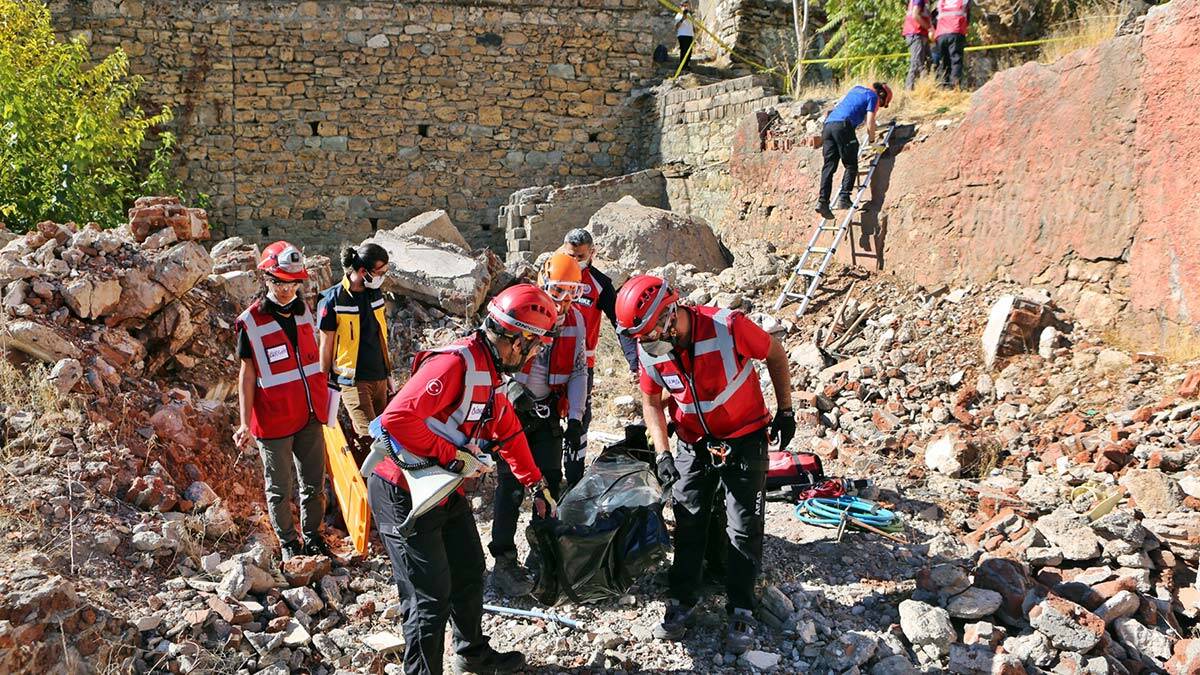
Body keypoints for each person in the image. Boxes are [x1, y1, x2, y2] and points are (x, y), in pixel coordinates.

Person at [367, 284, 559, 675]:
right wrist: (454, 456)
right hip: (402, 491)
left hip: (439, 486)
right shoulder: (454, 364)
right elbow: (397, 420)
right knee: (429, 598)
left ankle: (471, 654)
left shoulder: (488, 372)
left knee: (469, 570)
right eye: (534, 344)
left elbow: (506, 429)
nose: (536, 353)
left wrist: (536, 484)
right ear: (514, 339)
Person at [615, 275, 795, 654]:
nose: (647, 344)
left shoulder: (728, 327)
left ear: (670, 312)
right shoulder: (651, 347)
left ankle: (741, 606)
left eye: (651, 334)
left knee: (743, 526)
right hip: (694, 441)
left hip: (745, 438)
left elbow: (775, 354)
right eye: (642, 338)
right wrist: (663, 452)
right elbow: (650, 402)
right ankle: (682, 599)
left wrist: (786, 409)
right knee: (689, 518)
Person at [489, 253, 588, 597]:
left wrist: (575, 418)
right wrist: (514, 398)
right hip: (514, 412)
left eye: (573, 291)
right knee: (510, 487)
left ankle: (540, 555)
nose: (565, 300)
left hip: (547, 413)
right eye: (560, 290)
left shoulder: (576, 321)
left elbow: (578, 370)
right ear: (545, 283)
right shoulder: (526, 308)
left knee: (548, 485)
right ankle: (503, 559)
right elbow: (500, 360)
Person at [233, 241, 331, 561]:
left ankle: (313, 536)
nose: (287, 289)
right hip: (274, 418)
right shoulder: (250, 322)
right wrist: (244, 423)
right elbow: (247, 375)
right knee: (279, 488)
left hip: (309, 412)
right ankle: (289, 542)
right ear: (266, 279)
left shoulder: (305, 311)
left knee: (314, 483)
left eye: (293, 282)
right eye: (279, 282)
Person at [559, 229, 639, 488]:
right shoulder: (552, 274)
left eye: (580, 256)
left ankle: (573, 481)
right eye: (570, 255)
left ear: (592, 253)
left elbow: (620, 324)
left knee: (578, 422)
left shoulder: (600, 284)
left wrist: (634, 362)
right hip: (548, 363)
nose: (575, 261)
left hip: (582, 366)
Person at [318, 243, 394, 461]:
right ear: (363, 272)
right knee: (370, 439)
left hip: (379, 378)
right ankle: (366, 488)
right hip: (353, 382)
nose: (382, 277)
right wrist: (323, 382)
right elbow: (326, 344)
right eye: (379, 273)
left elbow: (380, 336)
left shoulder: (375, 294)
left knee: (387, 439)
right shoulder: (333, 300)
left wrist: (388, 374)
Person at [814, 82, 893, 220]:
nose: (878, 107)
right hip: (843, 126)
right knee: (851, 165)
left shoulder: (855, 89)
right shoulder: (873, 97)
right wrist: (873, 142)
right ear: (881, 95)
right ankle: (844, 197)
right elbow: (870, 122)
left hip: (828, 126)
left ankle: (822, 202)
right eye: (881, 104)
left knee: (829, 167)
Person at [934, 0, 970, 88]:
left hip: (941, 34)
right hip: (956, 32)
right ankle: (954, 87)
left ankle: (942, 87)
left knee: (943, 62)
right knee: (956, 60)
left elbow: (934, 16)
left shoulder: (941, 1)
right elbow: (968, 15)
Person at [903, 0, 933, 90]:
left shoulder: (926, 2)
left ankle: (924, 89)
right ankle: (909, 90)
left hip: (921, 33)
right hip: (915, 33)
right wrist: (929, 28)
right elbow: (915, 15)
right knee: (916, 64)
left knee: (927, 63)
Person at [675, 1, 696, 72]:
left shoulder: (690, 15)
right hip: (682, 35)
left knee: (689, 52)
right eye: (684, 6)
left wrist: (694, 29)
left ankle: (686, 65)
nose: (686, 7)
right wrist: (682, 19)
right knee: (684, 51)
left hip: (690, 35)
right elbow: (677, 26)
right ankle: (682, 66)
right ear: (681, 6)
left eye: (687, 6)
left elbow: (691, 25)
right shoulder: (679, 15)